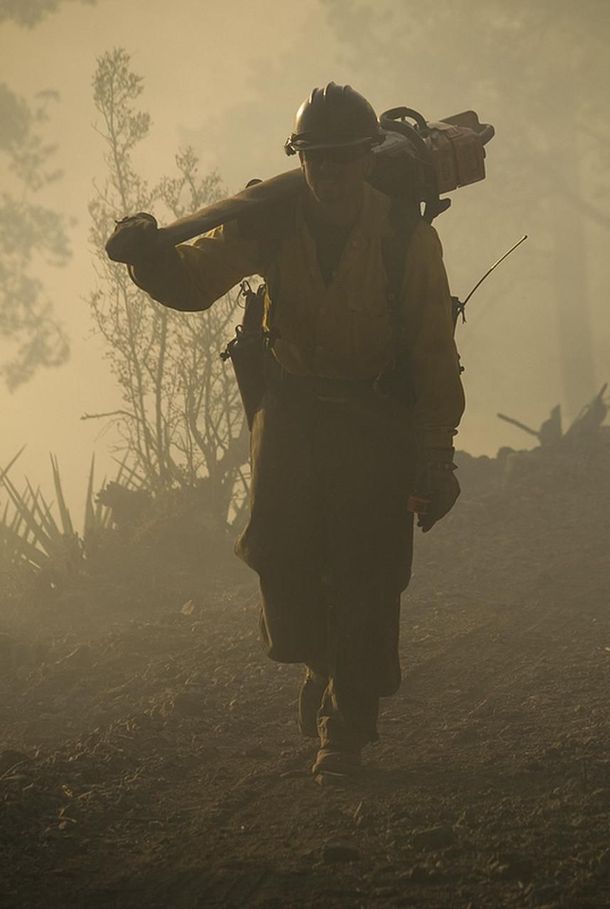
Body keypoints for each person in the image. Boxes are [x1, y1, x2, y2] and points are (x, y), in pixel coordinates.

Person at [113, 82, 465, 780]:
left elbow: (432, 353)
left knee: (369, 574)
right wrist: (148, 257)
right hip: (294, 406)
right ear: (298, 159)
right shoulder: (269, 221)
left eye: (341, 158)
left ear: (367, 159)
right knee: (281, 560)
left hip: (376, 414)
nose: (328, 173)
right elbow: (193, 280)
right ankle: (324, 663)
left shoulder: (406, 237)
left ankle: (348, 725)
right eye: (315, 158)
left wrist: (436, 455)